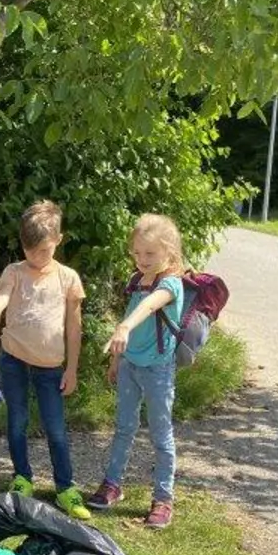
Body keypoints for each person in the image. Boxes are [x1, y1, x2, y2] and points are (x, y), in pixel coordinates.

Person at [0, 202, 88, 517]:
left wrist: (72, 369)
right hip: (14, 362)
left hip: (51, 368)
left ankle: (65, 488)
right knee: (17, 422)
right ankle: (22, 476)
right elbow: (0, 298)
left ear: (59, 240)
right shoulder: (14, 272)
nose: (36, 257)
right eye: (29, 250)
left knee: (56, 429)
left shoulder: (68, 278)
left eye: (44, 250)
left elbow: (74, 327)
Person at [88, 213, 187, 529]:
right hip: (130, 365)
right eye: (137, 252)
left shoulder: (171, 284)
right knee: (123, 427)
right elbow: (133, 310)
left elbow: (149, 307)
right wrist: (116, 359)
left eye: (150, 253)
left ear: (169, 252)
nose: (142, 259)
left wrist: (123, 327)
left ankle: (163, 499)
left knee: (161, 434)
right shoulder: (136, 280)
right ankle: (112, 484)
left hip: (158, 369)